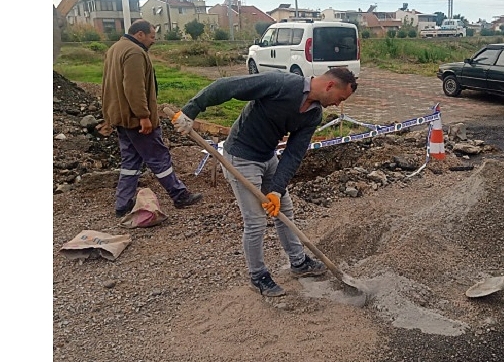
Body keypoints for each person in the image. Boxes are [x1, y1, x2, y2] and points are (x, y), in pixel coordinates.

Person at [171, 68, 358, 297]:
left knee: (284, 209)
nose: (338, 105)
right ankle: (258, 276)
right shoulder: (282, 83)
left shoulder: (313, 114)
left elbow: (293, 153)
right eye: (341, 99)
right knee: (255, 221)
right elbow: (226, 86)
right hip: (240, 157)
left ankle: (298, 263)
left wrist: (277, 190)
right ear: (330, 86)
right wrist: (191, 110)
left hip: (268, 157)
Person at [101, 19, 202, 217]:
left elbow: (108, 84)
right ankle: (179, 195)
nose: (153, 40)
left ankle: (123, 204)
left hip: (121, 117)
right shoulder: (134, 52)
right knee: (158, 156)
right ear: (140, 34)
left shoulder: (115, 48)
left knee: (130, 161)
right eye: (152, 36)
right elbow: (134, 87)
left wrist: (108, 116)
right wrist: (144, 116)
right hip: (135, 119)